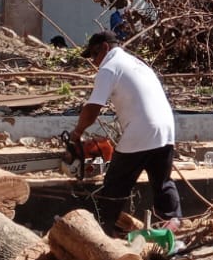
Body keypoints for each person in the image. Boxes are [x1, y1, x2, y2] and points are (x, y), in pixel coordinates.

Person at [70, 31, 180, 235]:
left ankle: (103, 233)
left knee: (114, 185)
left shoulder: (109, 67)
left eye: (94, 55)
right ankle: (172, 225)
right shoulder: (138, 64)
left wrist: (77, 132)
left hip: (141, 131)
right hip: (166, 129)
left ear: (105, 48)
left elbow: (93, 108)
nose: (94, 62)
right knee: (162, 182)